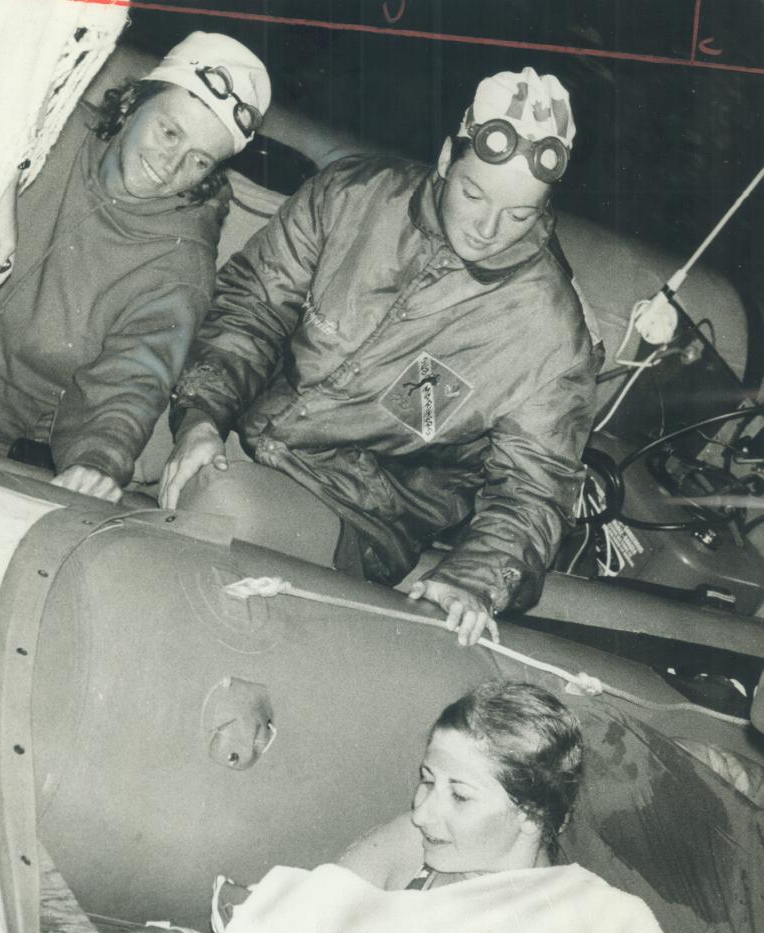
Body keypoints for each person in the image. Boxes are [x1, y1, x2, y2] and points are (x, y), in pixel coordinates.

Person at [159, 67, 602, 646]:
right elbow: (254, 306)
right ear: (446, 158)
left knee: (221, 506)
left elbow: (534, 488)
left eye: (520, 215)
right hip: (244, 418)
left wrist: (472, 581)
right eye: (473, 193)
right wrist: (200, 418)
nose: (490, 227)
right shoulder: (353, 195)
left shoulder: (549, 334)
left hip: (357, 509)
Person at [70, 681, 684, 933]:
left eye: (458, 795)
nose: (424, 810)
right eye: (426, 778)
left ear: (531, 813)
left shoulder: (604, 922)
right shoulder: (417, 842)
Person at [0, 31, 271, 501]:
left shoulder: (179, 263)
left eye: (198, 160)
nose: (170, 164)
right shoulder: (46, 128)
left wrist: (97, 462)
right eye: (169, 132)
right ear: (136, 101)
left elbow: (133, 378)